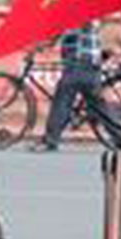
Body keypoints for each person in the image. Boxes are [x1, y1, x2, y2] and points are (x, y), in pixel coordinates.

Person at [38, 20, 107, 150]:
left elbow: (91, 24)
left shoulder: (84, 16)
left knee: (62, 100)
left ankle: (51, 139)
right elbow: (57, 34)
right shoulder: (71, 17)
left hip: (81, 64)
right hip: (80, 64)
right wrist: (44, 45)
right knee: (97, 105)